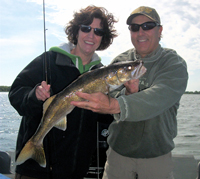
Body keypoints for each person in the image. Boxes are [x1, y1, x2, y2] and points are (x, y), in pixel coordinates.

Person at [70, 6, 188, 179]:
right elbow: (107, 96)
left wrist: (116, 104)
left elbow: (160, 96)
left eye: (148, 26)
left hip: (157, 158)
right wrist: (128, 94)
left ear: (159, 30)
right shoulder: (120, 61)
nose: (141, 32)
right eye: (134, 27)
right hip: (118, 156)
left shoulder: (173, 63)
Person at [8, 5, 117, 179]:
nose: (91, 35)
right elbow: (15, 94)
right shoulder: (48, 60)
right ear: (76, 31)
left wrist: (108, 106)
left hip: (73, 171)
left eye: (98, 31)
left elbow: (104, 120)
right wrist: (34, 96)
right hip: (35, 171)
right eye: (86, 28)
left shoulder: (103, 74)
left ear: (103, 38)